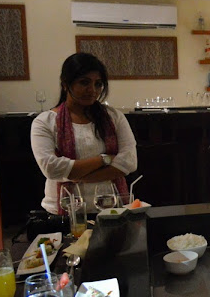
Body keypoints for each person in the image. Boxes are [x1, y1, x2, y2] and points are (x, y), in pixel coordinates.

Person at [31, 52, 137, 214]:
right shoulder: (45, 122)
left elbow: (129, 162)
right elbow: (52, 169)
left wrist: (79, 177)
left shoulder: (114, 117)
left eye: (98, 84)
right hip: (64, 212)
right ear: (65, 84)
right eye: (84, 82)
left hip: (111, 209)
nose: (92, 90)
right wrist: (105, 159)